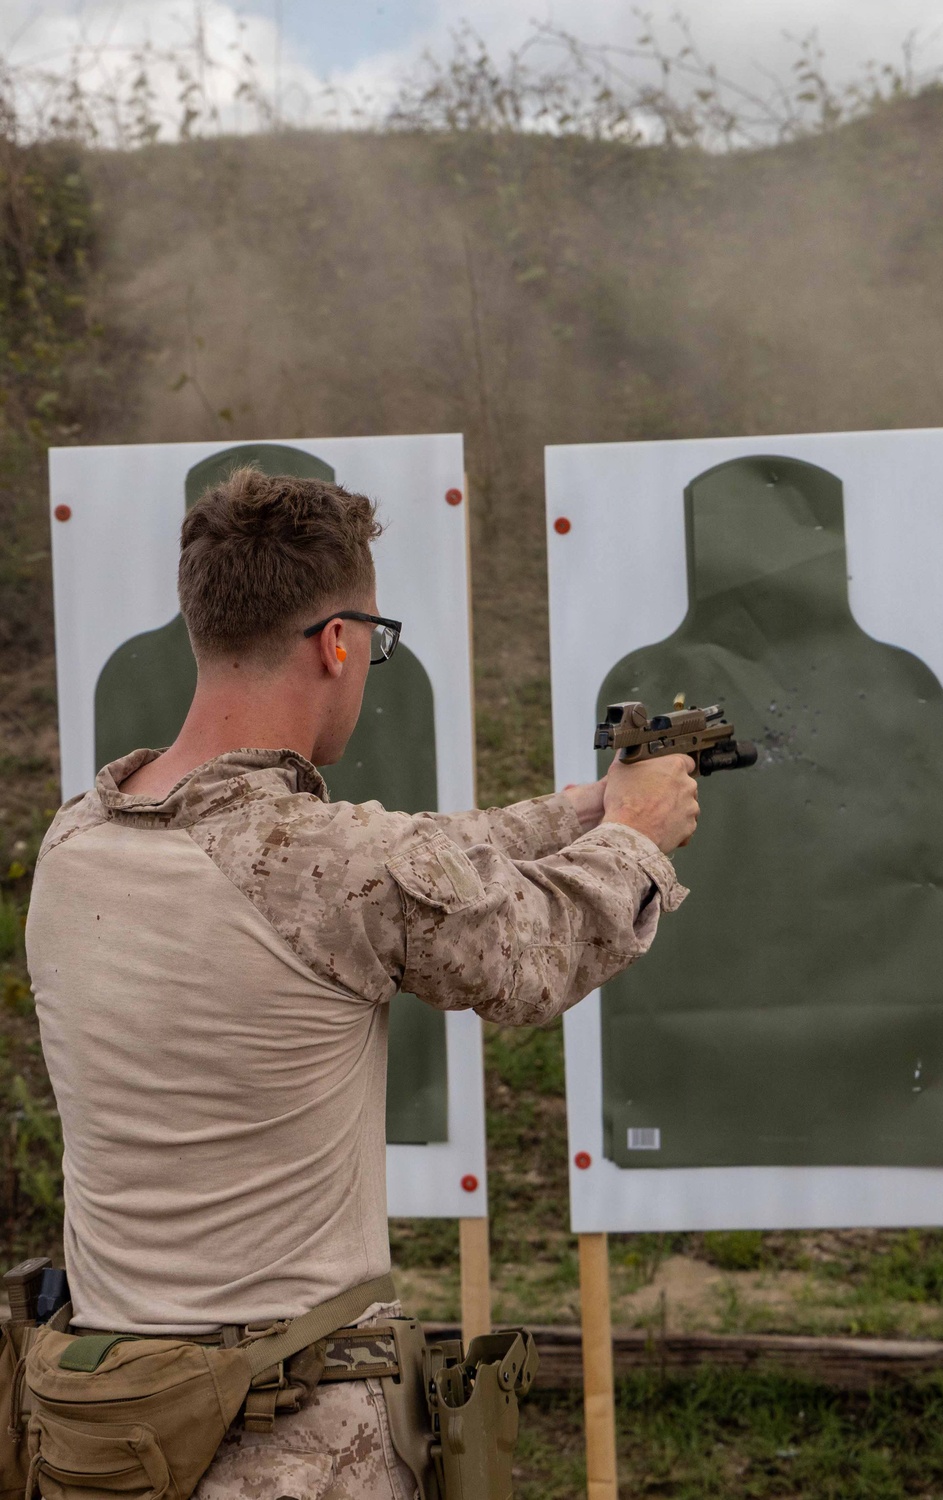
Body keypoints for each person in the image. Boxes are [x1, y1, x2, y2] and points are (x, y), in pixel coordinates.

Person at [25, 467, 699, 1498]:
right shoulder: (330, 866)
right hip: (283, 1445)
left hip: (112, 1429)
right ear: (337, 641)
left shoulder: (79, 836)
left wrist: (578, 809)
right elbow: (536, 954)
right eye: (373, 642)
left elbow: (404, 864)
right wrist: (635, 840)